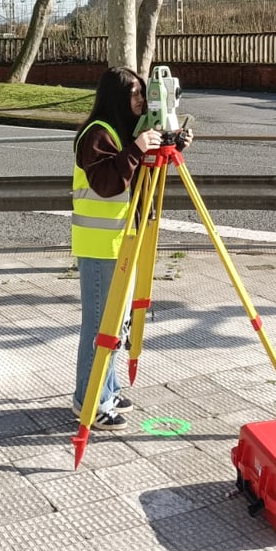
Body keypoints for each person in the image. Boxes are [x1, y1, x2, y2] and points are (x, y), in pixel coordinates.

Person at [71, 66, 191, 430]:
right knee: (99, 327)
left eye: (144, 93)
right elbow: (109, 183)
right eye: (136, 94)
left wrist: (168, 145)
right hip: (101, 244)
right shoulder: (97, 133)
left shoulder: (125, 132)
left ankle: (107, 389)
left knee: (117, 324)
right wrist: (138, 149)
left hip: (122, 240)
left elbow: (137, 176)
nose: (142, 101)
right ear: (117, 97)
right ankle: (87, 402)